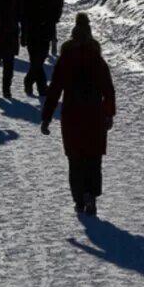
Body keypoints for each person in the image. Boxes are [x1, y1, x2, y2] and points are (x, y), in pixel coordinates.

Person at [40, 14, 116, 217]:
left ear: (72, 37)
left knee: (75, 160)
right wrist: (108, 114)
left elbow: (55, 89)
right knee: (93, 159)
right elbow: (108, 90)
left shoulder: (66, 59)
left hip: (72, 117)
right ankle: (91, 194)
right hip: (94, 117)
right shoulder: (97, 59)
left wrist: (46, 117)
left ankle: (79, 198)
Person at [18, 0, 55, 98]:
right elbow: (21, 9)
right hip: (31, 28)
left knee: (41, 57)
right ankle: (42, 87)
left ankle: (29, 80)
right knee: (36, 58)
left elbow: (51, 4)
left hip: (45, 26)